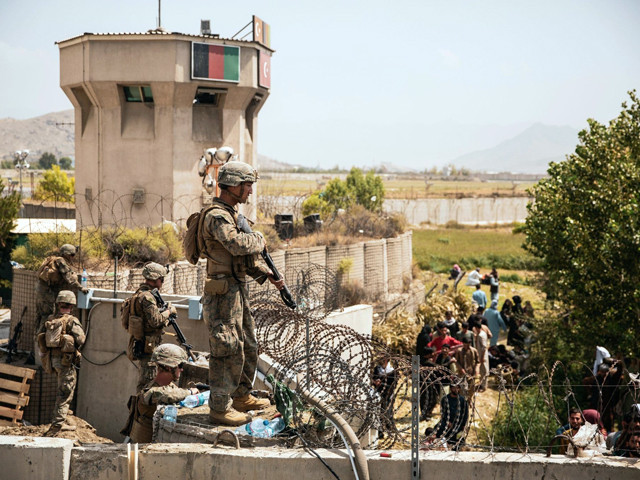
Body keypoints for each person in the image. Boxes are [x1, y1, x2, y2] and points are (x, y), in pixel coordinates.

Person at [199, 161, 284, 426]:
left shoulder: (232, 213)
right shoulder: (217, 215)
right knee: (227, 347)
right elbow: (237, 245)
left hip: (235, 289)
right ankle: (220, 407)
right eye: (247, 185)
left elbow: (242, 259)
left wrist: (263, 273)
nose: (250, 191)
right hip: (222, 292)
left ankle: (241, 396)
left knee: (248, 343)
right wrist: (259, 239)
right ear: (234, 185)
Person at [122, 343, 198, 443]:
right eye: (180, 365)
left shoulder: (170, 387)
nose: (182, 369)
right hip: (142, 451)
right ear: (170, 367)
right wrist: (189, 392)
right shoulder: (150, 392)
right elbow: (161, 394)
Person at [36, 290, 86, 436]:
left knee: (62, 389)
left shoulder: (50, 319)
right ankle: (56, 426)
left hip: (52, 361)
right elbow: (81, 339)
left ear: (58, 304)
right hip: (66, 363)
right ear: (72, 305)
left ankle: (64, 417)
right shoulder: (71, 320)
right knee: (64, 393)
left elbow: (40, 336)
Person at [126, 262, 176, 393]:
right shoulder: (147, 297)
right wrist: (169, 311)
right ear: (158, 279)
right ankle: (140, 412)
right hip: (148, 348)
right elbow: (156, 321)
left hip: (144, 344)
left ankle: (139, 411)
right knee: (147, 385)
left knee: (144, 384)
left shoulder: (139, 294)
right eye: (162, 279)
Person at [35, 244, 88, 333]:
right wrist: (81, 287)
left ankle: (37, 338)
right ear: (66, 254)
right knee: (47, 315)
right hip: (47, 293)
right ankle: (42, 339)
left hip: (42, 291)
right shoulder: (61, 261)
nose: (73, 257)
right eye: (72, 255)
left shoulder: (54, 259)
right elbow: (69, 278)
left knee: (40, 315)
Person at [427, 376, 469, 449]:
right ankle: (433, 443)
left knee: (456, 439)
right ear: (450, 388)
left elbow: (465, 414)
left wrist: (464, 425)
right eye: (454, 388)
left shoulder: (462, 400)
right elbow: (443, 413)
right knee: (434, 430)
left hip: (457, 424)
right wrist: (448, 422)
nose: (456, 390)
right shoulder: (445, 399)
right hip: (447, 422)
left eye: (457, 388)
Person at [372, 355, 398, 432]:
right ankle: (380, 430)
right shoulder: (377, 368)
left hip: (389, 393)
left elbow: (394, 383)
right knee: (380, 411)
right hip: (379, 393)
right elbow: (373, 378)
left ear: (386, 360)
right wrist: (375, 382)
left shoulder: (392, 370)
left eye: (382, 358)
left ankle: (390, 427)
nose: (380, 360)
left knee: (388, 411)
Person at [471, 318, 489, 392]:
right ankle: (482, 384)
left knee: (484, 370)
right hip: (481, 355)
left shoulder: (481, 335)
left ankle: (484, 386)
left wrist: (481, 357)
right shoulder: (481, 334)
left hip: (483, 355)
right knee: (481, 370)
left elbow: (484, 347)